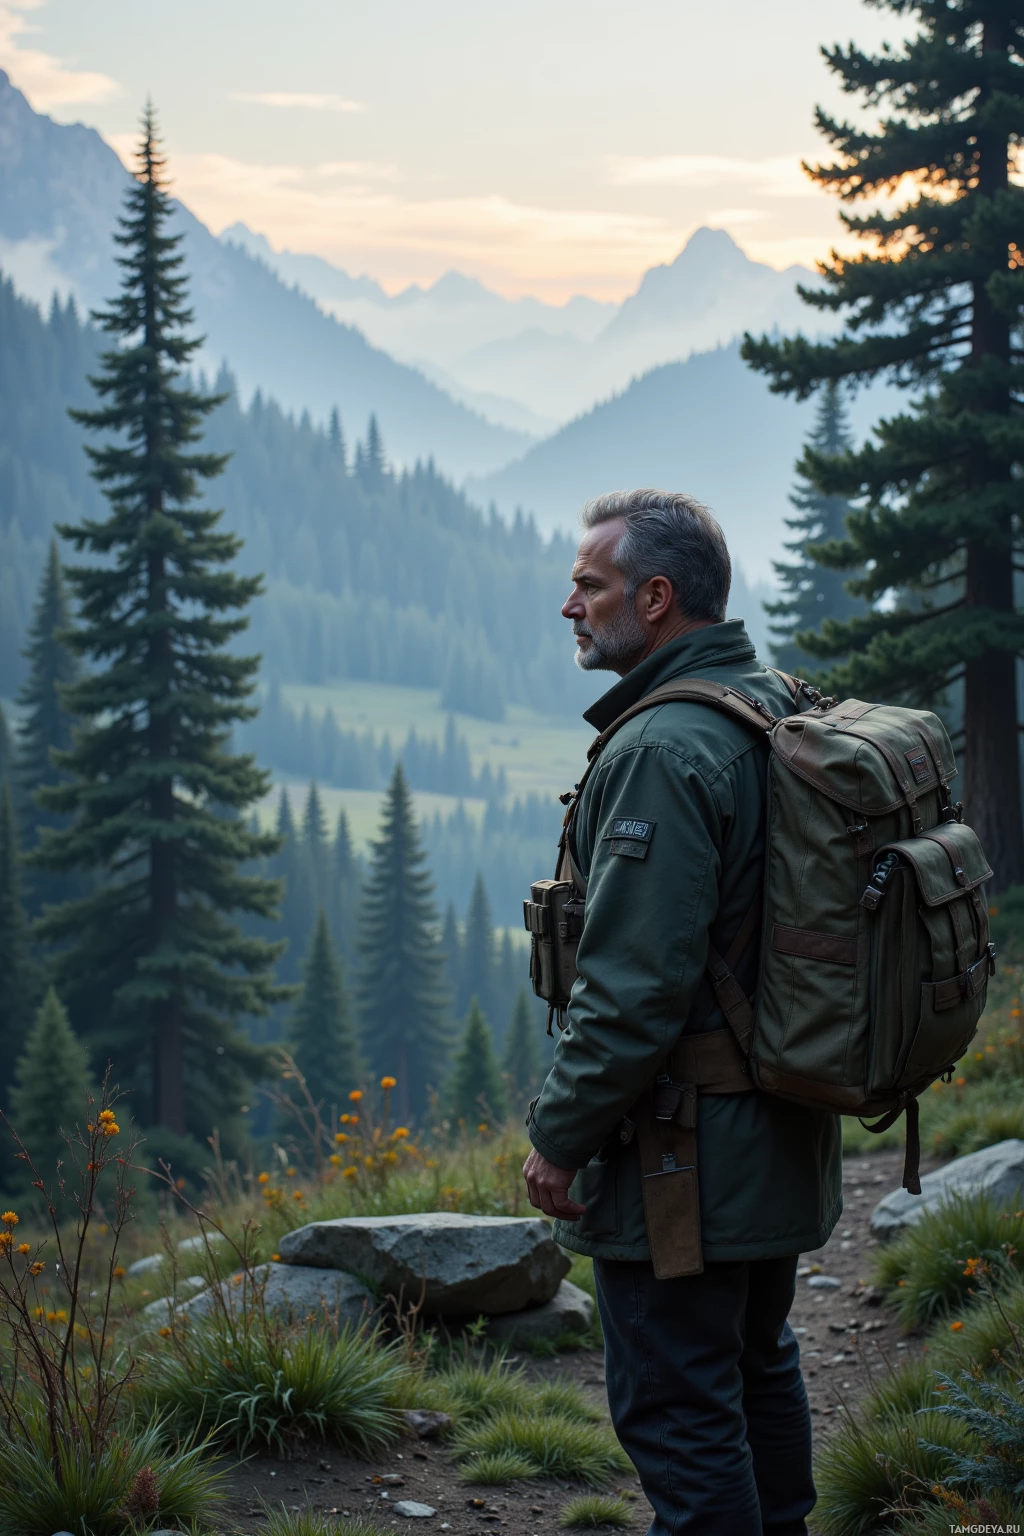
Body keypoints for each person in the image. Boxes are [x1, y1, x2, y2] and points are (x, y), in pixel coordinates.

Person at [522, 489, 842, 1536]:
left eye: (590, 585)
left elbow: (632, 990)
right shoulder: (769, 696)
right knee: (754, 1368)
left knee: (677, 1406)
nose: (570, 605)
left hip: (685, 1155)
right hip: (779, 1122)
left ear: (656, 599)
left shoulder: (662, 751)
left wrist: (559, 1138)